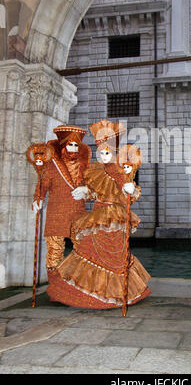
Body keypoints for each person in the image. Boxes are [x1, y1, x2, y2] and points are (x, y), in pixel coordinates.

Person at [46, 120, 151, 310]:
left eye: (107, 153)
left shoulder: (122, 170)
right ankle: (85, 294)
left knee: (114, 257)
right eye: (101, 152)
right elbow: (96, 193)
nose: (103, 156)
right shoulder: (95, 171)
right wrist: (85, 192)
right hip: (96, 217)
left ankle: (112, 296)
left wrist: (131, 189)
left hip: (114, 220)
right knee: (86, 252)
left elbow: (130, 196)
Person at [32, 125, 91, 275]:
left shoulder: (85, 166)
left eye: (75, 145)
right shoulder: (52, 165)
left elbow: (94, 188)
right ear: (63, 145)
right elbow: (43, 184)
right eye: (69, 144)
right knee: (54, 249)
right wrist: (38, 199)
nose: (72, 148)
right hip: (56, 212)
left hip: (78, 211)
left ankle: (80, 283)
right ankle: (55, 284)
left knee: (83, 247)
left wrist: (86, 191)